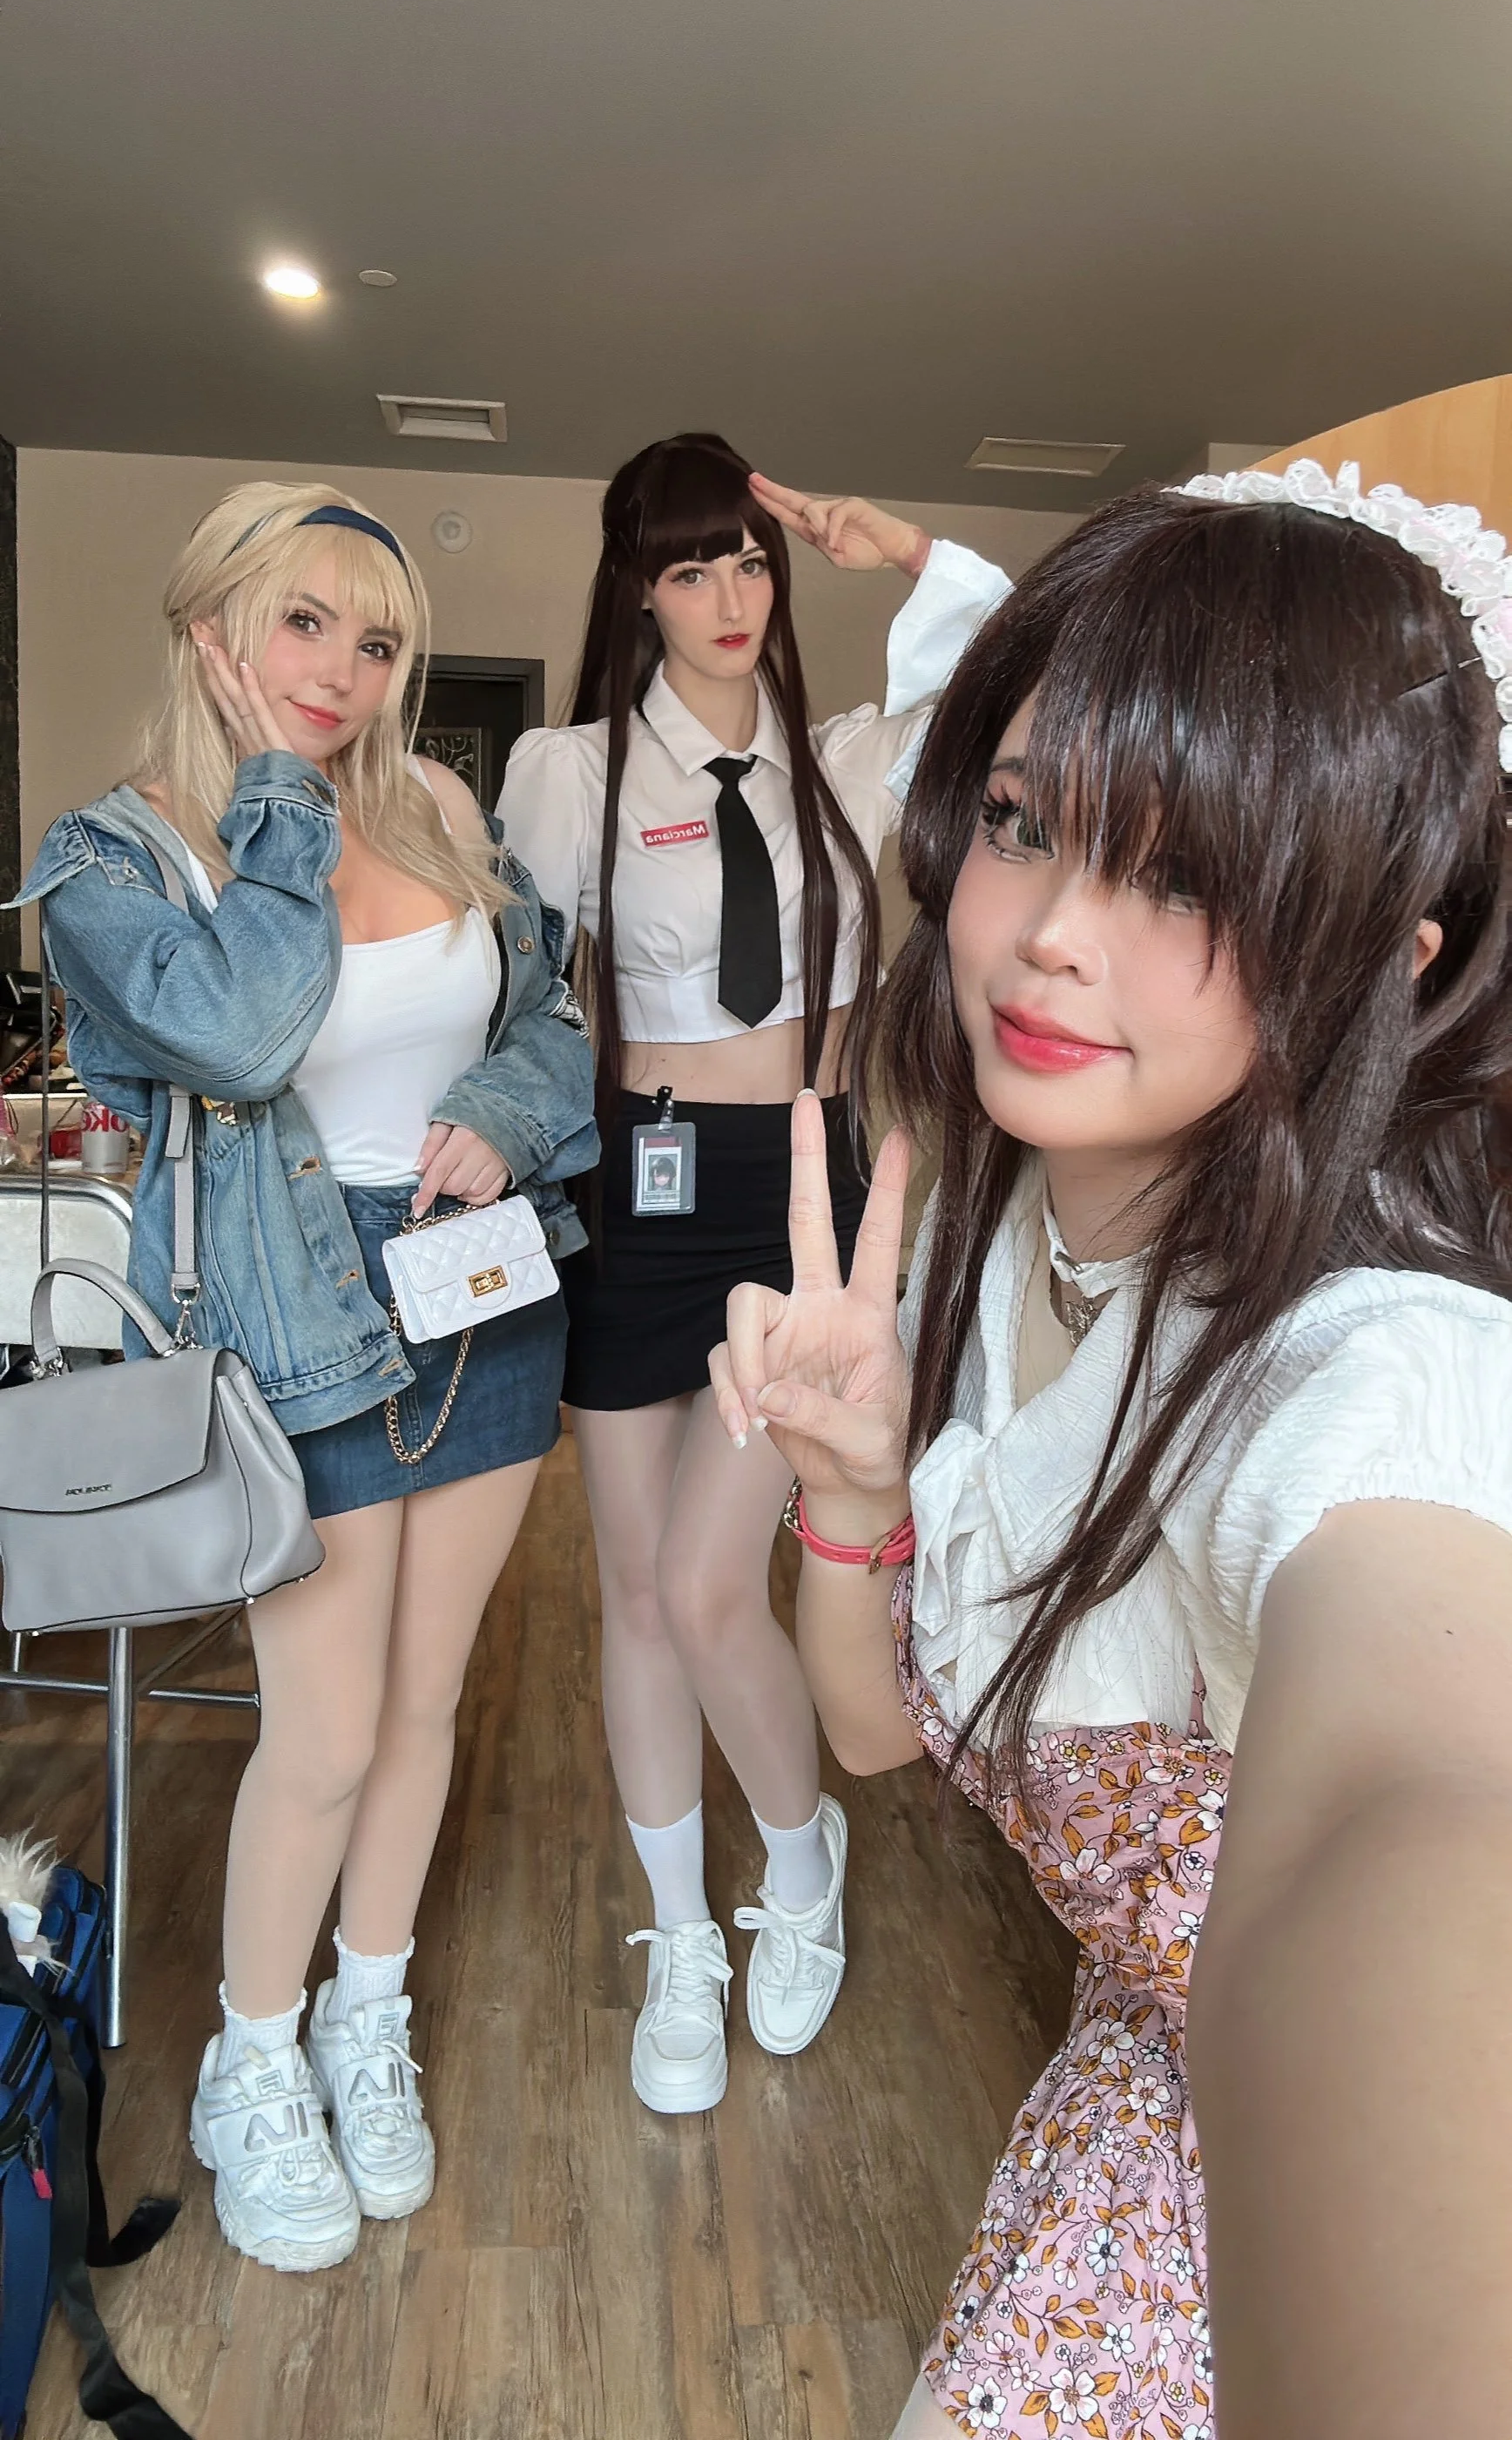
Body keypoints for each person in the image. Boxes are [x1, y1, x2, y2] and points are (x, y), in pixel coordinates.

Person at [710, 461, 1512, 2437]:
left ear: (1378, 958)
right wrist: (854, 1495)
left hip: (1222, 2229)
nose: (1048, 932)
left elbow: (1414, 1810)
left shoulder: (1373, 1368)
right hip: (1115, 2116)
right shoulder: (1014, 1229)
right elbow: (882, 1731)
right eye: (1023, 819)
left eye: (1187, 873)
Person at [15, 483, 597, 2273]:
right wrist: (275, 793)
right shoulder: (119, 851)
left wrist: (505, 1114)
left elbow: (547, 1016)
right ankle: (251, 2064)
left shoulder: (430, 799)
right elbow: (247, 1029)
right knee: (326, 1730)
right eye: (302, 623)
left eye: (377, 637)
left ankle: (365, 2006)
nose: (343, 670)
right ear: (210, 627)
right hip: (290, 1307)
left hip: (482, 1293)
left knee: (424, 1712)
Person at [501, 432, 1008, 2110]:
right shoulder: (569, 776)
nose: (730, 596)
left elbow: (1012, 671)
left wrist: (904, 548)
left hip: (796, 1184)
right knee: (639, 1594)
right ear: (638, 590)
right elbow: (514, 995)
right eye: (690, 567)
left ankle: (800, 1867)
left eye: (749, 561)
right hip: (636, 1189)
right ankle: (678, 1935)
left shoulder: (855, 759)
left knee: (720, 1587)